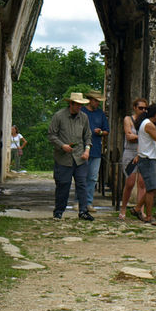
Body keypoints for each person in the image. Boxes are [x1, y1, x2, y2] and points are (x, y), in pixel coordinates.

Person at [48, 91, 93, 221]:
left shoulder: (84, 117)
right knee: (63, 184)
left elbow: (87, 136)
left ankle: (83, 211)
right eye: (77, 105)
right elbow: (51, 135)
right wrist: (62, 146)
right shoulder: (59, 116)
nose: (79, 107)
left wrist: (87, 150)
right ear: (71, 104)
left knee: (82, 184)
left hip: (80, 157)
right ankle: (59, 211)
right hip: (63, 157)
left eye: (81, 105)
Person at [118, 98, 148, 221]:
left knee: (142, 183)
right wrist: (142, 137)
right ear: (135, 108)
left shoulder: (146, 121)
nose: (143, 110)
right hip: (130, 153)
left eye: (145, 108)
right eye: (141, 108)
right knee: (130, 182)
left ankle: (140, 210)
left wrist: (138, 137)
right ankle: (123, 208)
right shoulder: (128, 119)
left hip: (142, 153)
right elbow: (129, 136)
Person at [82, 91, 109, 211]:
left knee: (93, 177)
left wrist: (101, 132)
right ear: (90, 100)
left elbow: (107, 130)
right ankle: (79, 201)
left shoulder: (100, 114)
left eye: (99, 101)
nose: (98, 103)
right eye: (96, 100)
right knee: (81, 176)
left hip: (96, 149)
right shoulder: (82, 112)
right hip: (82, 149)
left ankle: (88, 202)